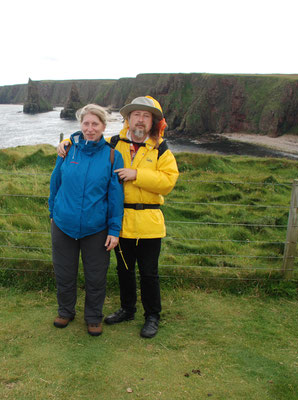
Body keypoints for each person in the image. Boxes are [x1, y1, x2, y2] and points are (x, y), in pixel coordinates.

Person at [57, 96, 179, 338]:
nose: (140, 120)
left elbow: (168, 182)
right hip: (121, 221)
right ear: (128, 119)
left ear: (153, 121)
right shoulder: (115, 143)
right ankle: (127, 309)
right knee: (124, 270)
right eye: (136, 115)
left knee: (148, 272)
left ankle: (152, 315)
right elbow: (89, 137)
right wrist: (67, 140)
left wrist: (137, 174)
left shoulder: (161, 149)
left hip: (148, 221)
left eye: (146, 116)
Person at [49, 104, 124, 337]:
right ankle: (65, 311)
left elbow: (115, 196)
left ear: (104, 126)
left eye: (95, 124)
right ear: (80, 124)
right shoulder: (67, 150)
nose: (90, 129)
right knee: (64, 272)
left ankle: (93, 317)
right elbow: (55, 183)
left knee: (96, 276)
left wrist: (114, 229)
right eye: (86, 123)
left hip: (96, 228)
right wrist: (53, 214)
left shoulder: (113, 155)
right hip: (63, 224)